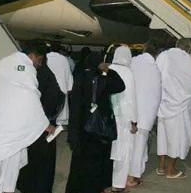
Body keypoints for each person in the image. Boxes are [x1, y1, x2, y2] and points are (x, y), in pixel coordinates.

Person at [0, 50, 53, 193]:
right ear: (32, 55)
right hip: (10, 133)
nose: (39, 65)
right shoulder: (24, 68)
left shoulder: (3, 63)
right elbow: (31, 97)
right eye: (40, 60)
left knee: (0, 173)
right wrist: (45, 123)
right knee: (8, 172)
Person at [65, 54, 126, 193]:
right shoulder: (102, 79)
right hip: (98, 129)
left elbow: (75, 107)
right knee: (97, 165)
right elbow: (120, 86)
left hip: (82, 129)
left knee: (80, 165)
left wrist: (73, 133)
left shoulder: (80, 77)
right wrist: (108, 70)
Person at [17, 44, 65, 193]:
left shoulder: (36, 74)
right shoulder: (45, 75)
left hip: (35, 125)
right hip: (43, 126)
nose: (39, 63)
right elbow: (56, 98)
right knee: (42, 165)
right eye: (39, 59)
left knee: (31, 161)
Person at [156, 39, 191, 178]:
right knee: (176, 138)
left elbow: (156, 75)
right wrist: (181, 94)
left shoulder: (163, 56)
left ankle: (161, 167)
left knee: (163, 137)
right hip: (179, 106)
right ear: (187, 48)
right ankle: (171, 170)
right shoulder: (187, 59)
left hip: (163, 104)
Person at [128, 41, 162, 187]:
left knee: (128, 145)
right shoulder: (154, 68)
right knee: (140, 146)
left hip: (129, 111)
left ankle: (124, 174)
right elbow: (156, 94)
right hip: (144, 114)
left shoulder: (133, 62)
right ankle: (132, 178)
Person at [108, 46, 138, 192]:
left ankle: (106, 182)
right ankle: (118, 184)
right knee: (123, 150)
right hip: (124, 118)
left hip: (108, 115)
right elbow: (131, 98)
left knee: (109, 149)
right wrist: (134, 120)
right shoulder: (128, 72)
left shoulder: (108, 69)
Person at [46, 45, 74, 126]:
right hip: (61, 92)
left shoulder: (45, 57)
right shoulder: (63, 59)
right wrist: (69, 89)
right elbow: (69, 78)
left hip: (48, 91)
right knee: (57, 114)